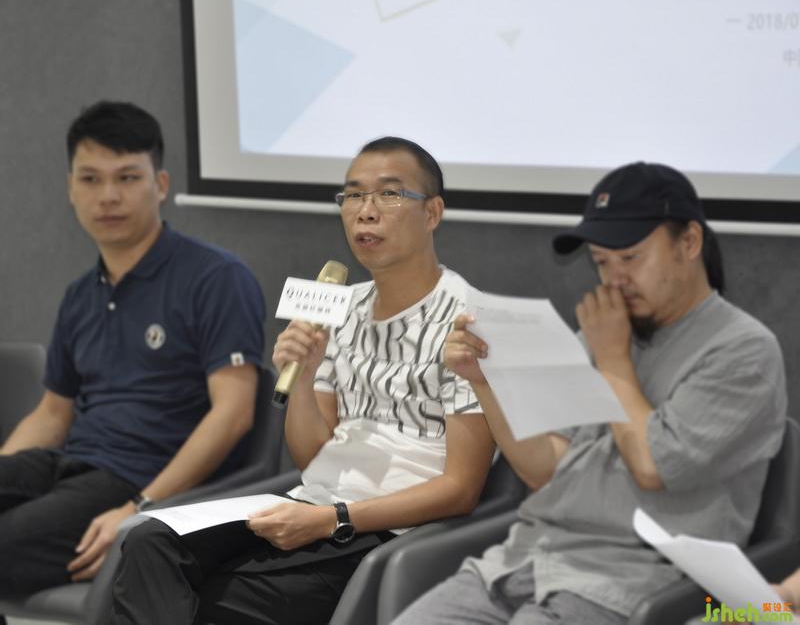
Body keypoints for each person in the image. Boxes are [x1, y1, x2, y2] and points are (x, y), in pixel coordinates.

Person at [108, 137, 496, 625]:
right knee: (148, 543)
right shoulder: (339, 307)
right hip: (310, 503)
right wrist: (306, 375)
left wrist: (333, 520)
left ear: (432, 212)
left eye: (389, 194)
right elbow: (312, 455)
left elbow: (461, 489)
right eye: (353, 195)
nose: (366, 211)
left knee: (211, 602)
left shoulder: (469, 322)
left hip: (386, 529)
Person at [393, 162, 787, 624]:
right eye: (602, 262)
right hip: (527, 557)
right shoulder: (605, 333)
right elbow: (543, 469)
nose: (614, 279)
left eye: (631, 258)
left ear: (690, 242)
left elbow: (653, 466)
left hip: (637, 580)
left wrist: (613, 360)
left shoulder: (742, 349)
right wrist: (484, 381)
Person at [0, 101, 265, 596]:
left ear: (160, 185)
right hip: (66, 465)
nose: (108, 196)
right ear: (71, 189)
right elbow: (53, 413)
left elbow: (233, 415)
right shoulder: (80, 294)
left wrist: (141, 508)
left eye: (127, 178)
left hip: (135, 481)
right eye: (91, 179)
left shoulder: (216, 277)